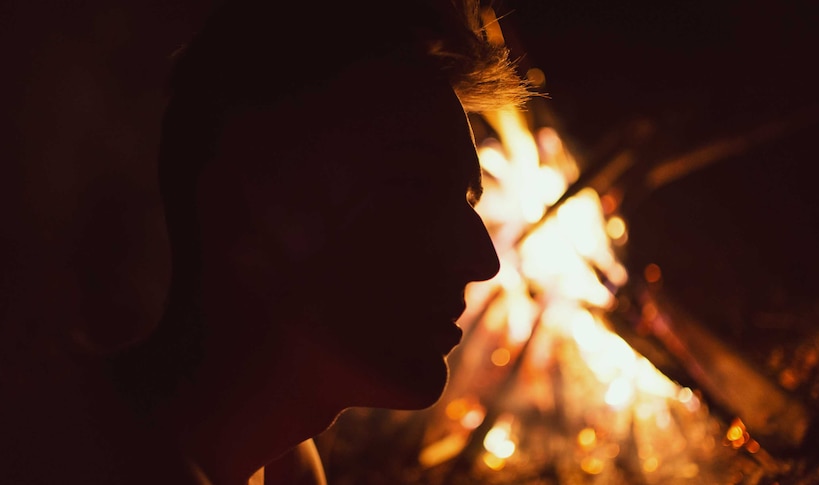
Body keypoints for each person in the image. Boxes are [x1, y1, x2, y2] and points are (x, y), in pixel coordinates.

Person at [2, 0, 533, 483]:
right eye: (413, 190)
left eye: (466, 202)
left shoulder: (280, 467)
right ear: (246, 199)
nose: (481, 261)